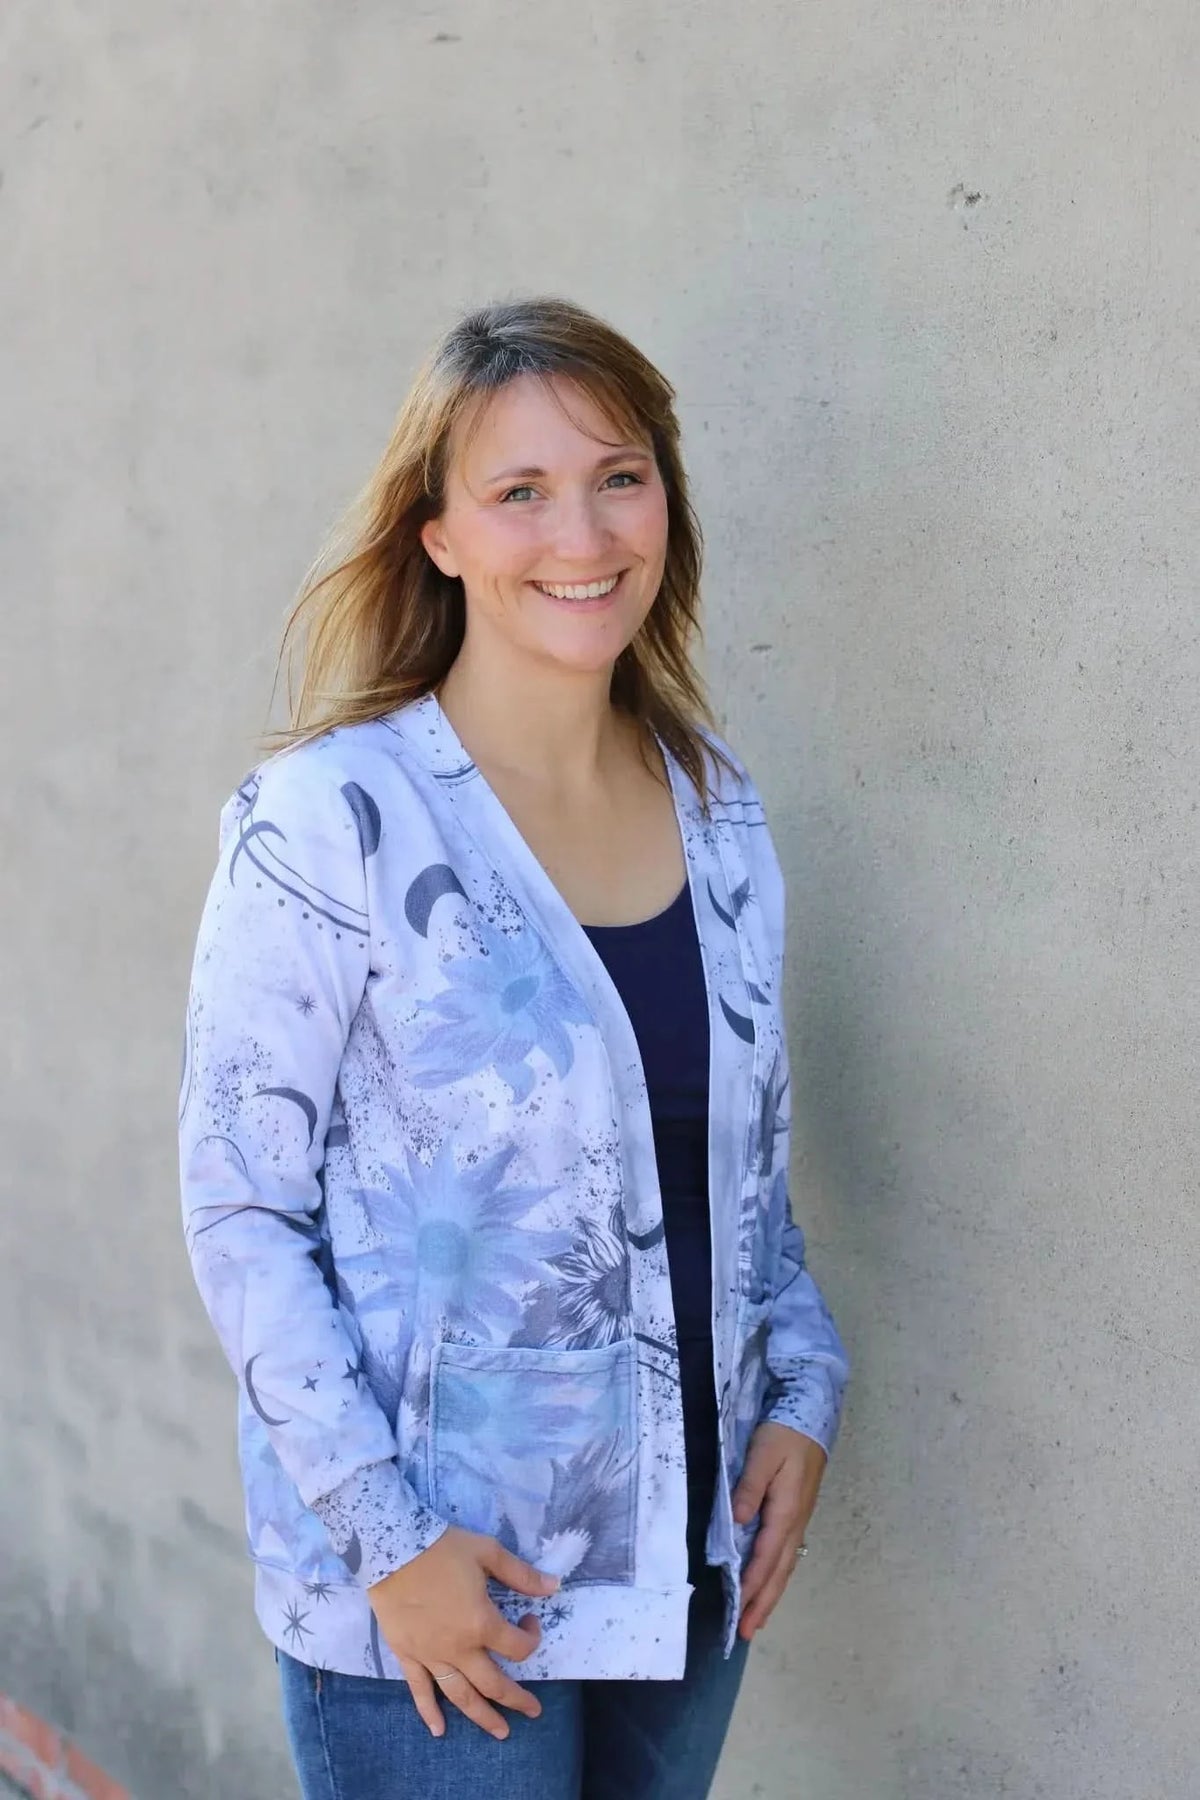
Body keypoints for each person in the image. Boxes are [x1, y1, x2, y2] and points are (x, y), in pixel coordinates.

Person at [179, 296, 849, 1800]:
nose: (584, 532)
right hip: (441, 1608)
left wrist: (804, 1385)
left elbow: (739, 1170)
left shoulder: (717, 806)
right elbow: (241, 1209)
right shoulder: (327, 823)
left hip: (687, 1571)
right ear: (440, 536)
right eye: (521, 491)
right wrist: (387, 1541)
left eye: (620, 475)